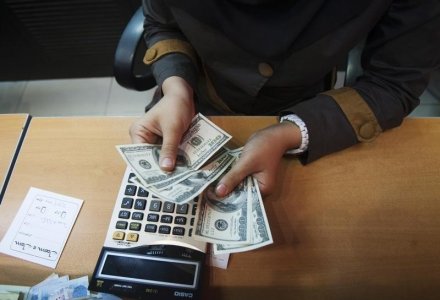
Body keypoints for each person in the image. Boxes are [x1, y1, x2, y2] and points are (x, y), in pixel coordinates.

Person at [129, 0, 440, 197]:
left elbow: (394, 82)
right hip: (188, 105)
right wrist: (176, 88)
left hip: (313, 111)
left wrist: (293, 133)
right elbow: (163, 23)